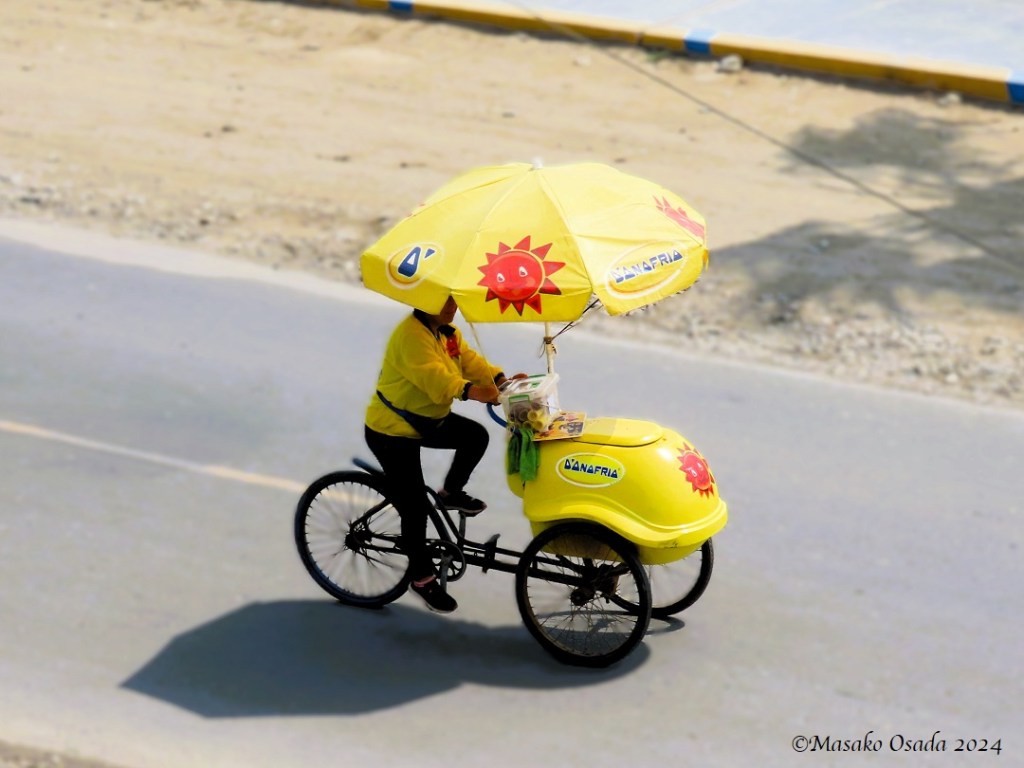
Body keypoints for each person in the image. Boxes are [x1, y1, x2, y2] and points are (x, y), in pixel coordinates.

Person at [364, 296, 524, 614]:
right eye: (445, 301)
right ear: (424, 302)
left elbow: (468, 361)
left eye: (454, 300)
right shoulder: (410, 337)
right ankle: (421, 578)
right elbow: (437, 379)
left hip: (427, 419)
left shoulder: (447, 332)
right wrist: (474, 392)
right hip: (392, 430)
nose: (453, 307)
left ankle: (449, 493)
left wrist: (499, 380)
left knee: (475, 437)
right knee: (415, 507)